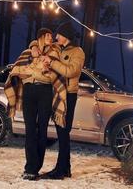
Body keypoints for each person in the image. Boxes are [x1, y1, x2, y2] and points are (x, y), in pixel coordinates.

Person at [30, 22, 85, 180]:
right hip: (54, 93)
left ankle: (61, 169)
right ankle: (65, 168)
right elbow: (38, 41)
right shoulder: (56, 47)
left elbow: (71, 71)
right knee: (61, 131)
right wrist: (34, 46)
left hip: (68, 94)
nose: (55, 37)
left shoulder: (77, 51)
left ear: (65, 35)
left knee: (63, 131)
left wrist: (52, 62)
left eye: (58, 35)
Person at [5, 28, 55, 181]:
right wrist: (34, 71)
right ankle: (30, 168)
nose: (51, 38)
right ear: (41, 37)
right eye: (48, 36)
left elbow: (52, 76)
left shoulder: (53, 54)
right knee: (30, 130)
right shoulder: (27, 52)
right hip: (29, 92)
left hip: (45, 92)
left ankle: (36, 167)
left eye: (52, 36)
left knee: (42, 130)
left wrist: (34, 72)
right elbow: (16, 70)